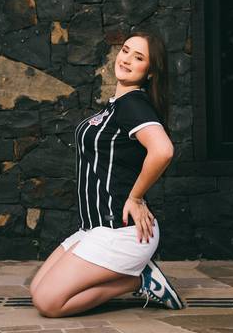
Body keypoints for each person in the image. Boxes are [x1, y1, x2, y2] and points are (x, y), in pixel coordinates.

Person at [29, 31, 186, 318]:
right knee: (37, 288)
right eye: (125, 51)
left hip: (120, 231)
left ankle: (139, 281)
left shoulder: (133, 104)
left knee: (48, 302)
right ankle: (138, 276)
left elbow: (163, 150)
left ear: (150, 72)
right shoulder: (117, 106)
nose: (126, 59)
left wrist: (136, 197)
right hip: (94, 229)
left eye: (138, 58)